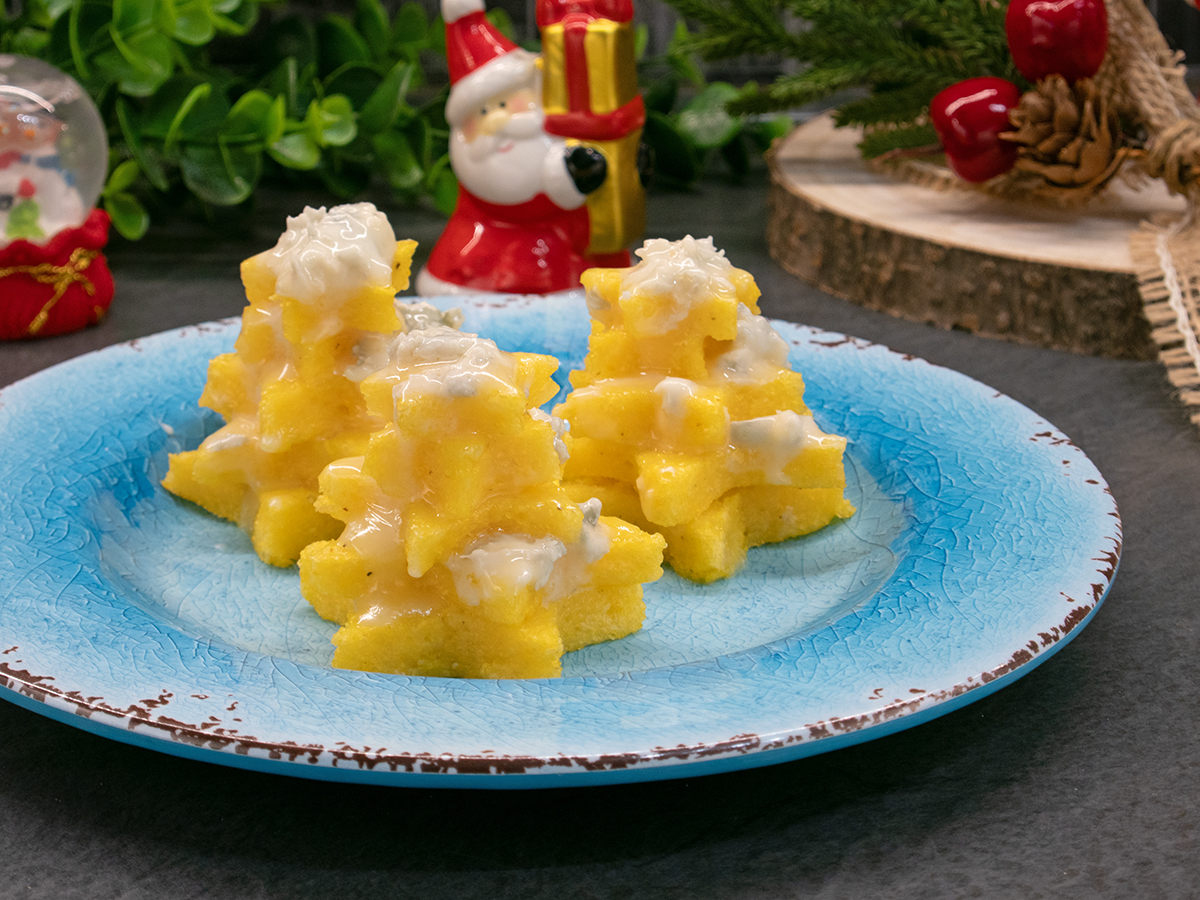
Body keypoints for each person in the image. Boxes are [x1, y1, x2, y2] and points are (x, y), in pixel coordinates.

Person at [416, 0, 629, 296]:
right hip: (481, 257)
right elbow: (509, 188)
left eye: (505, 104)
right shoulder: (482, 166)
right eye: (483, 112)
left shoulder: (550, 134)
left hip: (568, 260)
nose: (497, 121)